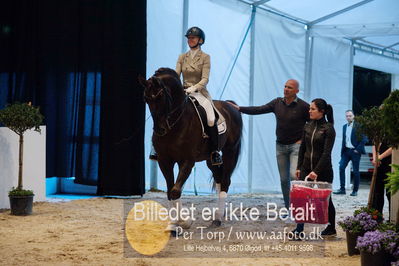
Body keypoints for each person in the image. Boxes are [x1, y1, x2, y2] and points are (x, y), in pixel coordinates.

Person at [228, 79, 309, 210]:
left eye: (289, 87)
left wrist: (303, 141)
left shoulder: (303, 106)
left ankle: (299, 207)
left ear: (296, 91)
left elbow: (311, 125)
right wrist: (240, 108)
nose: (286, 89)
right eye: (285, 86)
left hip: (296, 146)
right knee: (283, 180)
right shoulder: (277, 102)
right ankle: (289, 208)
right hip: (280, 147)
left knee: (294, 176)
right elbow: (259, 109)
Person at [175, 26, 222, 166]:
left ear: (200, 40)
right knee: (165, 110)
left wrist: (193, 88)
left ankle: (214, 152)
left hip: (199, 92)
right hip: (182, 92)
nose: (190, 40)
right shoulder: (182, 57)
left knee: (211, 117)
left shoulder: (205, 57)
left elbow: (205, 79)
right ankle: (156, 149)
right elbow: (176, 75)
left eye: (193, 38)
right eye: (189, 38)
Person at [293, 98, 337, 238]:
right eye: (310, 108)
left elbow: (326, 153)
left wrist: (316, 172)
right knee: (302, 199)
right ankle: (299, 229)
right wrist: (299, 167)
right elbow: (302, 148)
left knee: (327, 200)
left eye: (312, 109)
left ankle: (331, 228)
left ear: (321, 112)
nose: (309, 111)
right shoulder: (307, 126)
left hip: (323, 170)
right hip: (306, 168)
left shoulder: (329, 128)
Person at [333, 110, 367, 196]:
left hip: (355, 151)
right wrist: (343, 151)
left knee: (355, 171)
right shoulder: (344, 126)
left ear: (354, 116)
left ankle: (355, 191)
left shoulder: (359, 126)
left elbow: (364, 139)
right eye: (347, 116)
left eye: (350, 116)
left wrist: (357, 149)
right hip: (346, 151)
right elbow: (345, 139)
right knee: (341, 167)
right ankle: (342, 189)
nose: (348, 117)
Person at [371, 142, 392, 218]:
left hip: (390, 163)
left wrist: (380, 157)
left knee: (390, 193)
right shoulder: (377, 132)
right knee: (377, 193)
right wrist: (375, 157)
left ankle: (392, 219)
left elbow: (394, 147)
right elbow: (374, 144)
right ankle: (377, 217)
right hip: (379, 164)